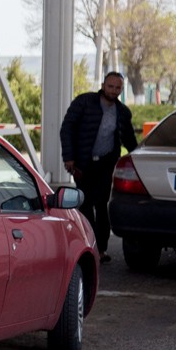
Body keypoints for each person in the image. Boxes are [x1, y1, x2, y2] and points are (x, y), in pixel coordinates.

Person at [59, 71, 138, 262]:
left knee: (102, 205)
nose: (113, 90)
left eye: (117, 87)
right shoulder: (84, 102)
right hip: (82, 163)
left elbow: (128, 139)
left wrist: (138, 157)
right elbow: (67, 128)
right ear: (103, 85)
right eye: (110, 86)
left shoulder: (122, 112)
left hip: (106, 164)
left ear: (121, 89)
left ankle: (101, 249)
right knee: (85, 204)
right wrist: (69, 157)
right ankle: (88, 246)